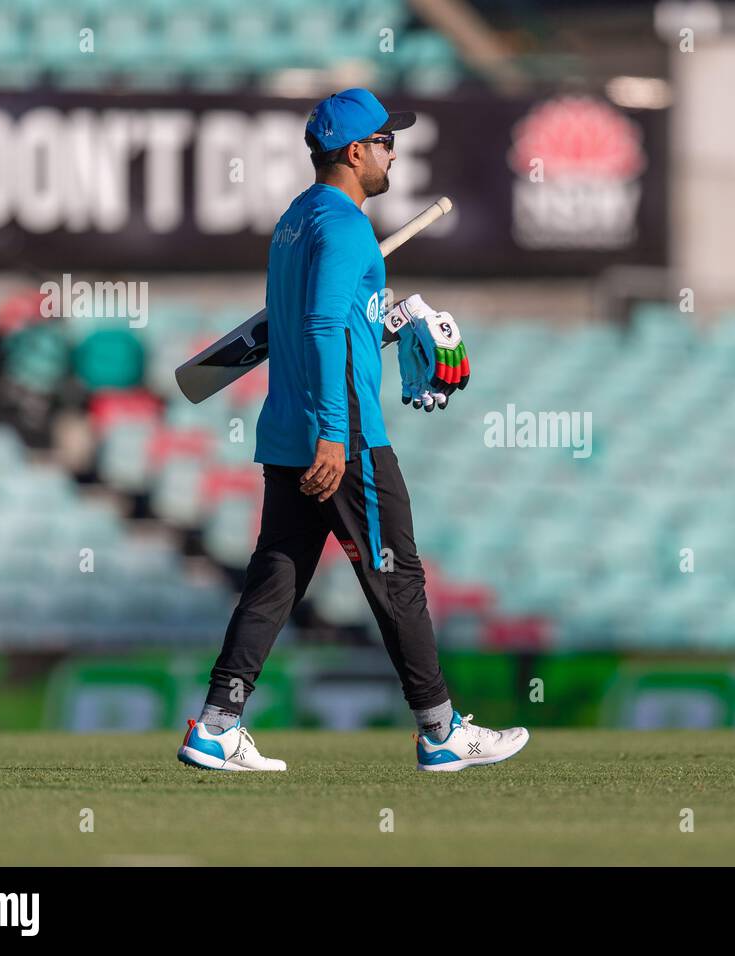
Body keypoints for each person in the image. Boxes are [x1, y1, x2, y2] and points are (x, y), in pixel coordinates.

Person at [177, 88, 528, 773]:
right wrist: (335, 437)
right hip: (344, 435)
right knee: (399, 576)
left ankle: (217, 725)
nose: (394, 150)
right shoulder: (344, 228)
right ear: (355, 151)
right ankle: (440, 731)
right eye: (386, 141)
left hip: (287, 429)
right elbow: (317, 328)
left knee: (275, 578)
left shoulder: (296, 220)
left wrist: (391, 324)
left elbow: (333, 320)